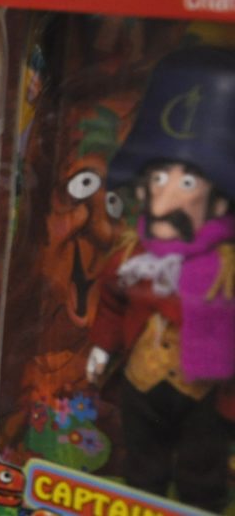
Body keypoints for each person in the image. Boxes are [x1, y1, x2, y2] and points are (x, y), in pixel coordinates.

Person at [86, 46, 235, 511]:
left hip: (204, 392)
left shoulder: (226, 268)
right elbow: (113, 300)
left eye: (187, 184)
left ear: (219, 200)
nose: (165, 197)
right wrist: (101, 346)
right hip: (141, 380)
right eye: (157, 180)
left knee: (201, 469)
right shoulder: (135, 256)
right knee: (142, 461)